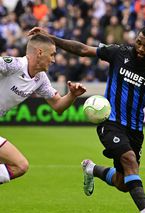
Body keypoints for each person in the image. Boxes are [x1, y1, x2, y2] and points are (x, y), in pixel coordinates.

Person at [29, 26, 145, 213]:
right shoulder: (119, 53)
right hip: (109, 122)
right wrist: (50, 38)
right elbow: (82, 49)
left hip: (135, 130)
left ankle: (91, 169)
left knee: (124, 183)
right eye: (139, 42)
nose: (140, 48)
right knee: (129, 159)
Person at [0, 34, 86, 185]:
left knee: (17, 166)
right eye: (52, 54)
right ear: (40, 52)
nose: (53, 60)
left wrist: (72, 95)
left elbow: (58, 106)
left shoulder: (40, 79)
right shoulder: (14, 65)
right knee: (20, 165)